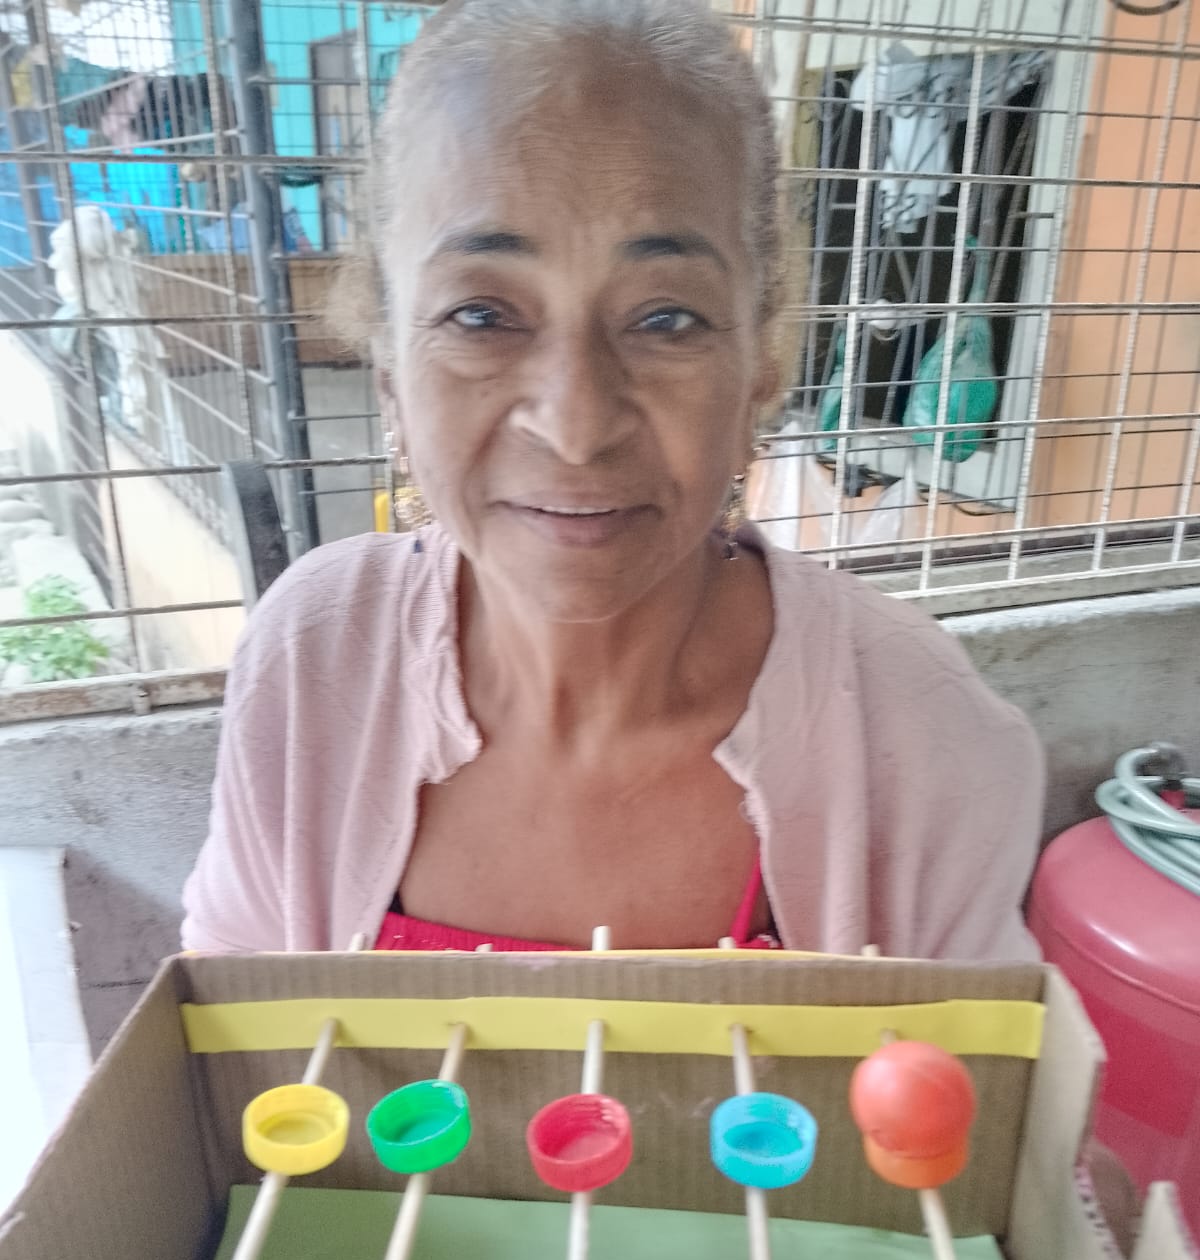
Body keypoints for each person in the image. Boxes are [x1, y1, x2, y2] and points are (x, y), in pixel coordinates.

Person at [181, 0, 1044, 960]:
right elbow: (231, 1020)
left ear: (760, 361)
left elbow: (967, 1058)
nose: (578, 424)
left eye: (666, 318)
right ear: (389, 364)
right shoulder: (318, 661)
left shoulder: (922, 734)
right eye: (481, 316)